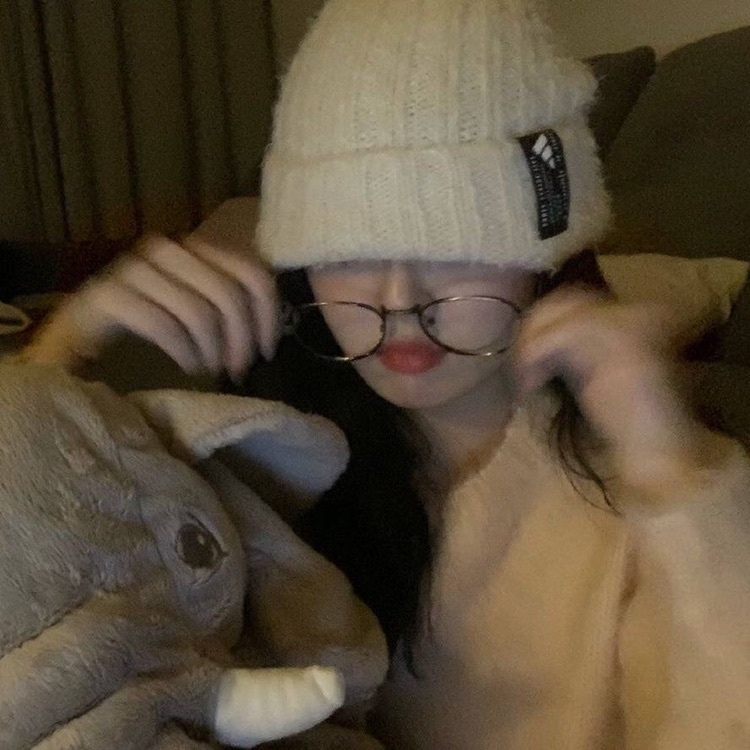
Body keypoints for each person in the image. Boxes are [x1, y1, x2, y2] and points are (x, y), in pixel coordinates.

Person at [19, 0, 750, 748]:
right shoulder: (256, 443)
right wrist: (58, 357)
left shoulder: (641, 496)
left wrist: (675, 471)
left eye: (456, 241)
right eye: (350, 247)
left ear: (545, 253)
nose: (400, 300)